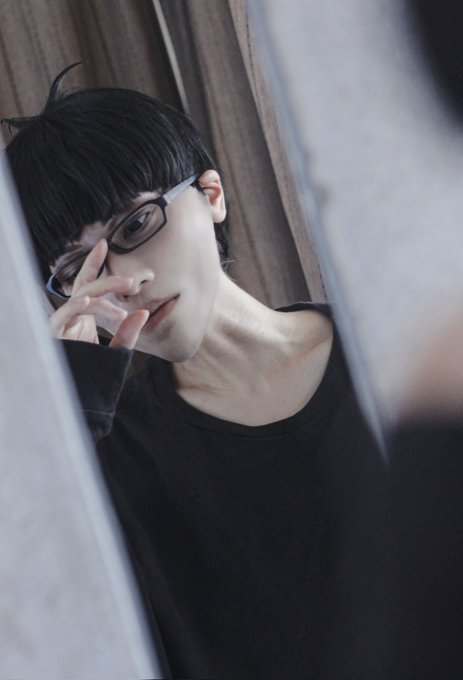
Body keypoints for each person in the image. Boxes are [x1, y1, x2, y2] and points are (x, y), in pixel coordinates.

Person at [3, 65, 388, 679]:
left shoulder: (398, 347)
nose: (126, 281)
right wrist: (67, 417)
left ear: (211, 195)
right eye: (79, 269)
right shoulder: (107, 457)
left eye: (136, 224)